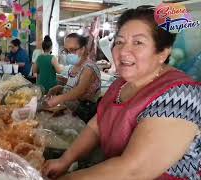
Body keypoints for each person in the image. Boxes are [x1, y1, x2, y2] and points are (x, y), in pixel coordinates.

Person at [42, 6, 201, 180]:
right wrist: (65, 160)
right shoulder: (122, 83)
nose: (123, 51)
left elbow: (133, 170)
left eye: (138, 42)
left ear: (162, 52)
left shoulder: (181, 96)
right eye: (119, 42)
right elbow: (97, 126)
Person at [46, 33, 101, 122]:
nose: (69, 54)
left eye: (72, 50)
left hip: (84, 113)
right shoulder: (73, 67)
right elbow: (73, 87)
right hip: (71, 109)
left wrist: (59, 98)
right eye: (66, 51)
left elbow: (79, 91)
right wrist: (60, 88)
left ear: (82, 49)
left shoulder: (89, 68)